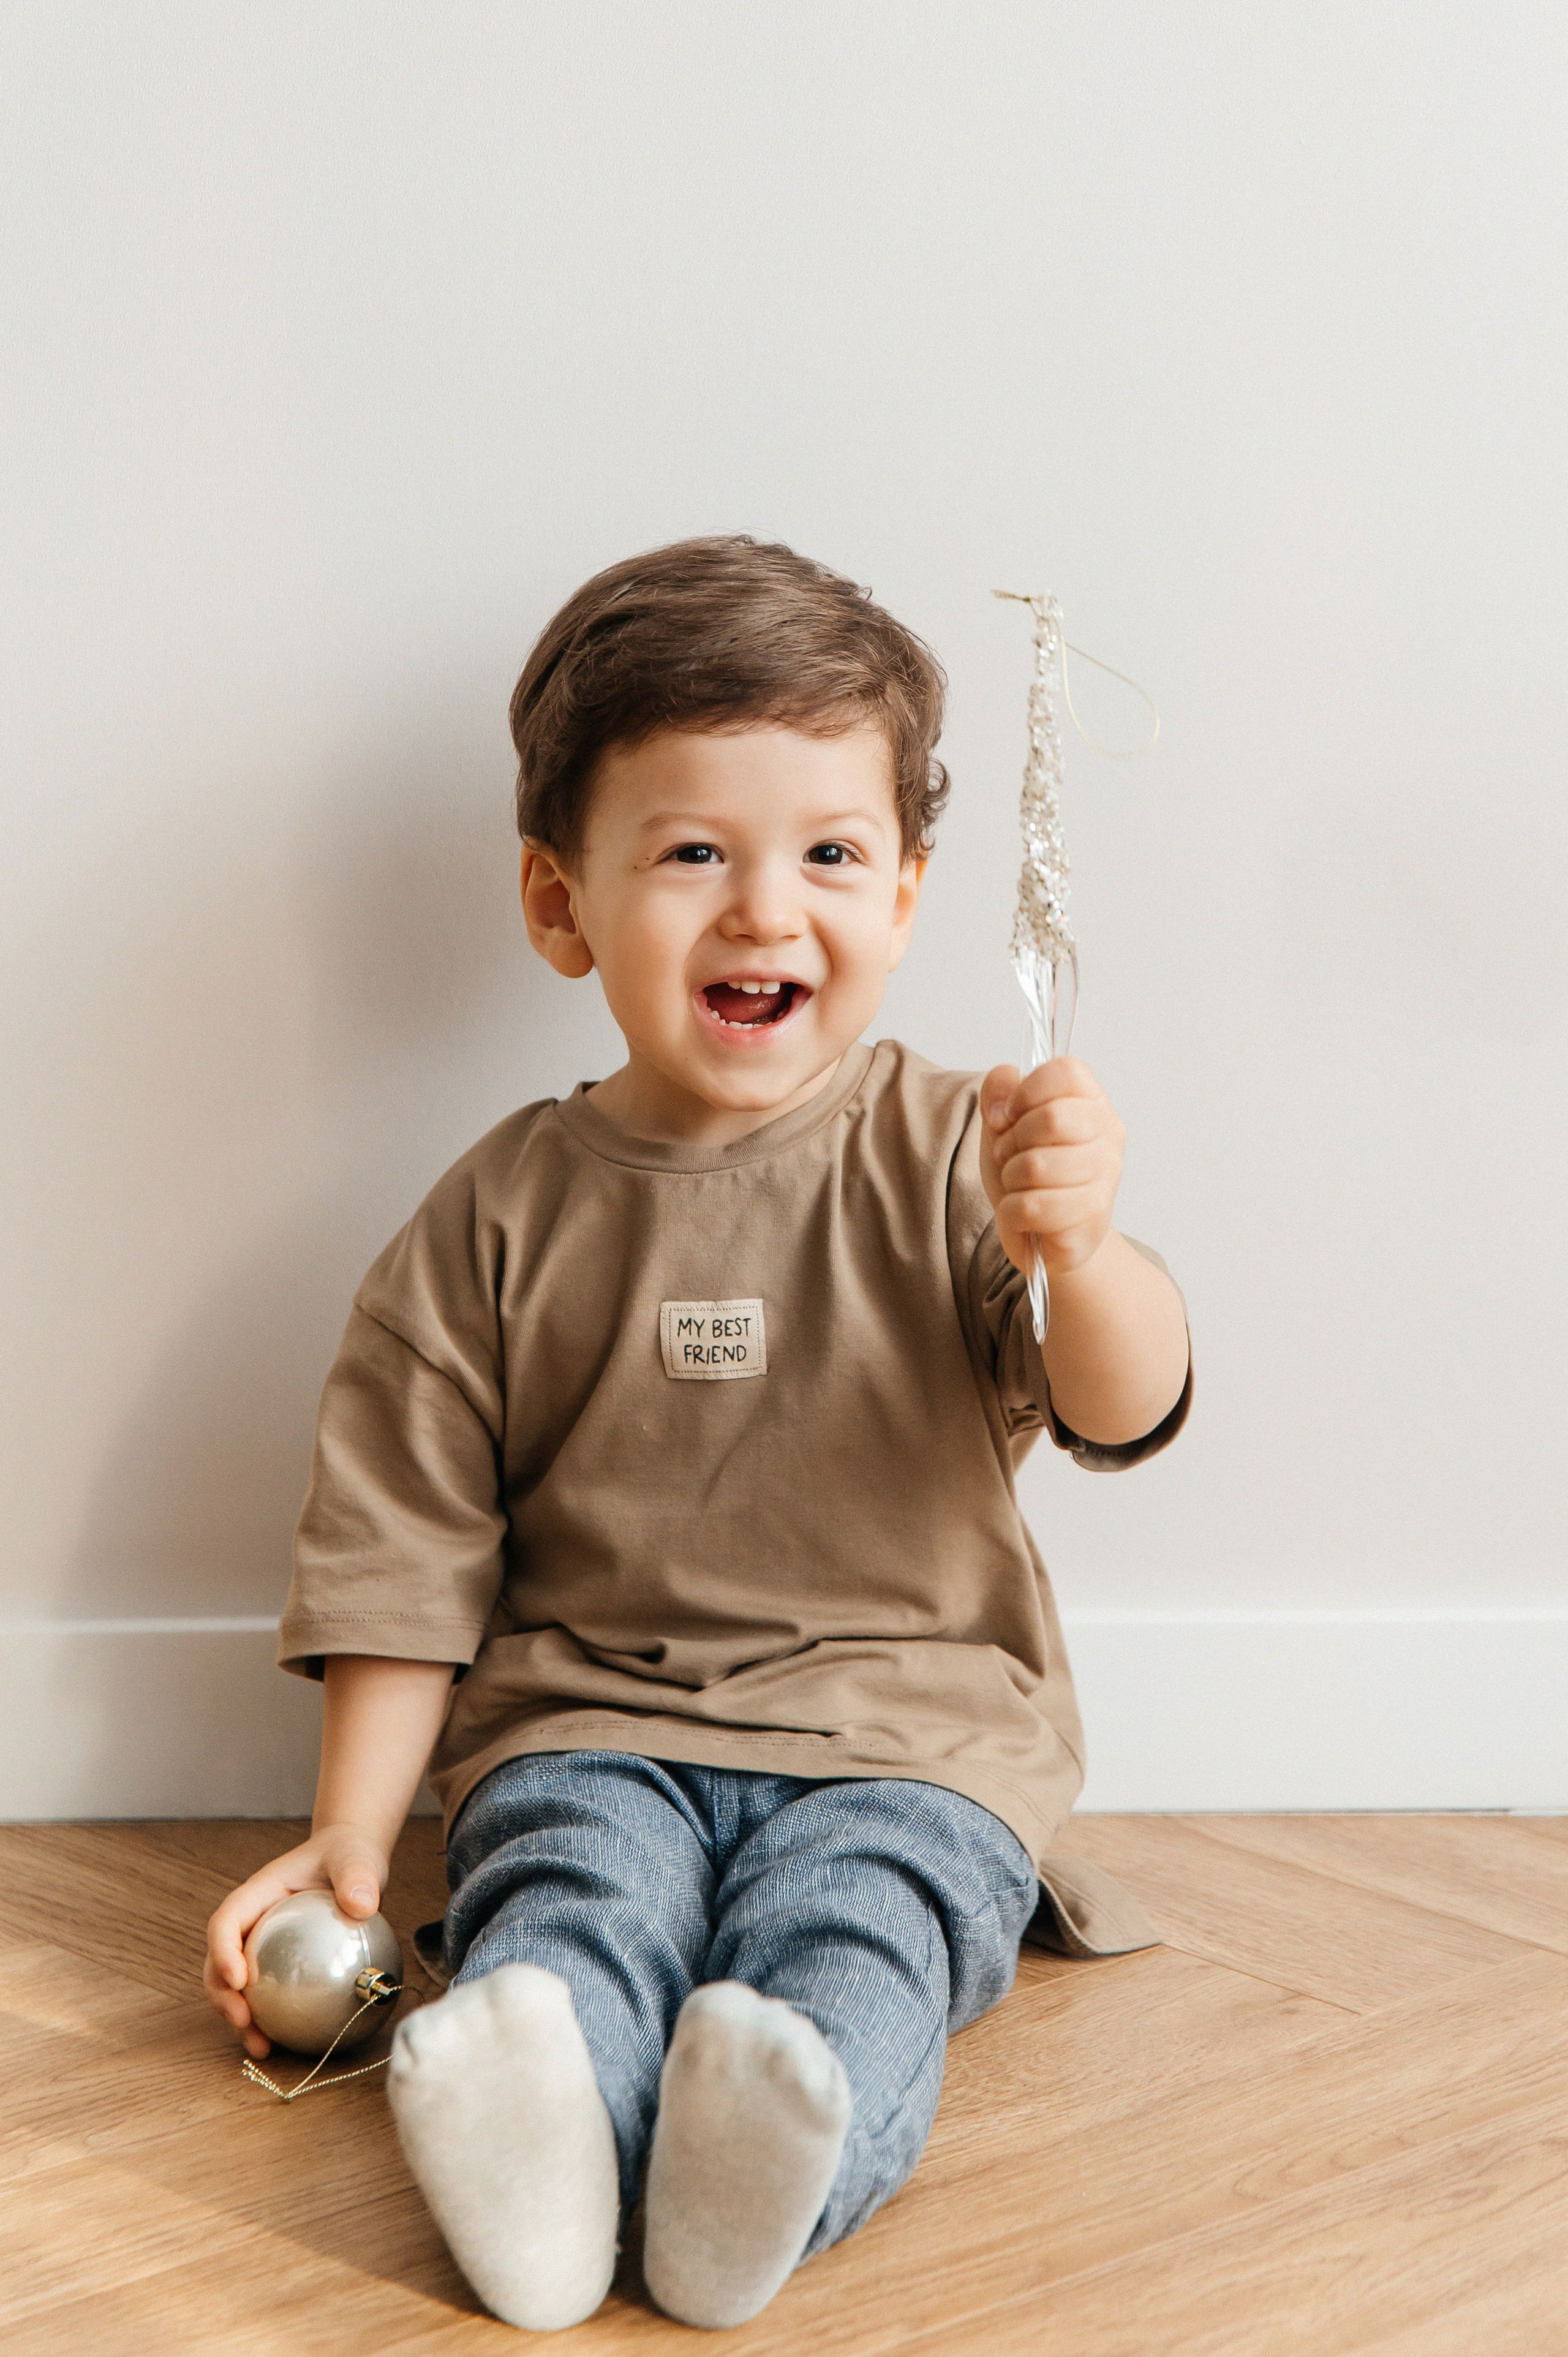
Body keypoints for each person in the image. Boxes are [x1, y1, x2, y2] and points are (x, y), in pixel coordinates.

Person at [203, 536, 1191, 2333]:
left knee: (862, 1931)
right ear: (558, 901)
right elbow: (403, 1562)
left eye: (828, 853)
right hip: (595, 1721)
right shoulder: (493, 1219)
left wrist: (1089, 1255)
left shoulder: (963, 1149)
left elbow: (1127, 1407)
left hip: (909, 1736)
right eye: (691, 854)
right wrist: (354, 1846)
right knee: (566, 1908)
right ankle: (543, 2158)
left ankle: (763, 2160)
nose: (763, 910)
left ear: (904, 895)